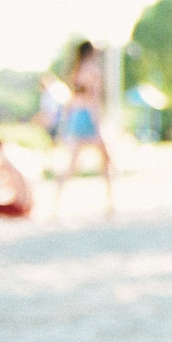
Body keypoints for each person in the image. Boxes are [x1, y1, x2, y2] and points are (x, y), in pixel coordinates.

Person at [49, 40, 114, 218]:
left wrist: (64, 126)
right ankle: (110, 204)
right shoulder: (93, 69)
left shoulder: (75, 71)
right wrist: (98, 122)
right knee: (106, 161)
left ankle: (55, 206)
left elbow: (71, 101)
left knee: (71, 165)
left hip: (76, 116)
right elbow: (93, 98)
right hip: (89, 116)